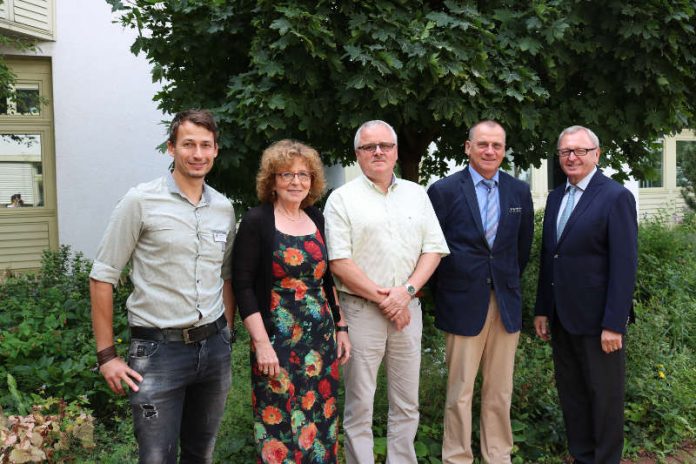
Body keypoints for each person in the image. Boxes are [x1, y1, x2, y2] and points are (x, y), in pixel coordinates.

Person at [89, 109, 236, 463]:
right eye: (188, 144)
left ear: (216, 150)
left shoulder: (224, 208)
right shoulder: (140, 201)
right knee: (157, 457)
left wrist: (227, 334)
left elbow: (226, 275)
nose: (197, 154)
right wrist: (107, 356)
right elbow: (102, 275)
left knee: (201, 455)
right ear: (171, 148)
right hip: (158, 354)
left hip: (213, 350)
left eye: (205, 145)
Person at [324, 120, 449, 464]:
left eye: (385, 146)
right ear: (357, 155)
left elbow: (434, 249)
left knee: (407, 403)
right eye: (368, 147)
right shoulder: (341, 199)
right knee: (360, 405)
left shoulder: (416, 193)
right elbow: (339, 261)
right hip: (362, 313)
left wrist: (405, 293)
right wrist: (387, 300)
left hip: (408, 310)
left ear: (395, 152)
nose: (377, 152)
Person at [232, 139, 351, 463]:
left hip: (321, 341)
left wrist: (341, 327)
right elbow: (242, 286)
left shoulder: (316, 217)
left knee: (321, 421)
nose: (296, 181)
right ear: (272, 180)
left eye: (303, 174)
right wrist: (261, 344)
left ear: (313, 180)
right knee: (280, 424)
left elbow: (327, 279)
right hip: (277, 340)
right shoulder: (257, 221)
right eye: (286, 174)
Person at [427, 120, 534, 464]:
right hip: (461, 302)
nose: (490, 151)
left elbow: (523, 248)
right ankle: (457, 457)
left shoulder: (518, 191)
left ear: (504, 150)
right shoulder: (443, 191)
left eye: (497, 146)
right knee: (460, 391)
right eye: (483, 144)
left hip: (505, 301)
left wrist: (504, 280)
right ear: (467, 147)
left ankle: (498, 455)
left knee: (500, 390)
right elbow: (432, 248)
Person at [534, 125, 638, 464]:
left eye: (579, 151)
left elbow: (624, 266)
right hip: (563, 318)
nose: (571, 157)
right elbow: (550, 257)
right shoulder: (555, 197)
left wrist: (614, 323)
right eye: (565, 151)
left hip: (599, 323)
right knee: (573, 397)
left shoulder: (615, 196)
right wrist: (542, 309)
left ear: (596, 154)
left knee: (604, 400)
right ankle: (582, 457)